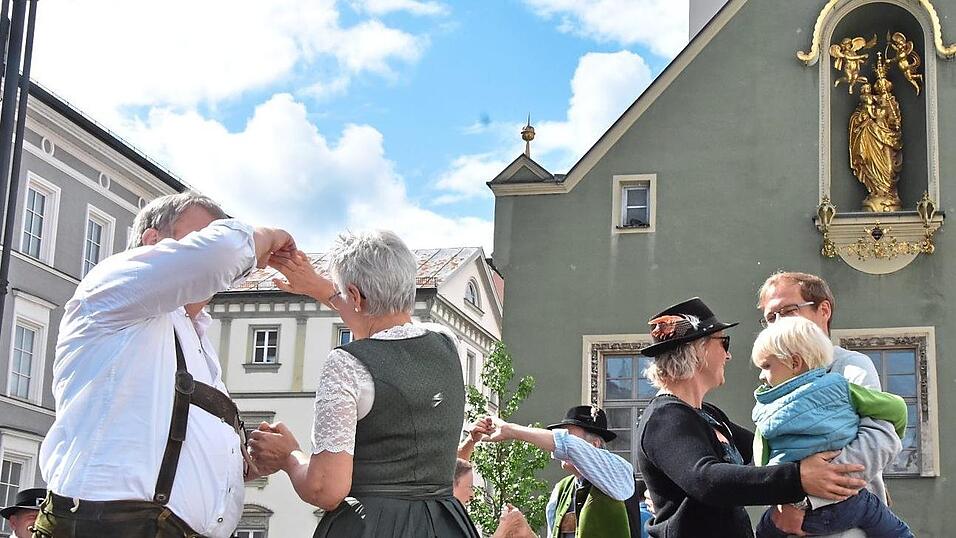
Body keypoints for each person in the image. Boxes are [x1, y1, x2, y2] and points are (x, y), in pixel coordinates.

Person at [33, 192, 295, 538]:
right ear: (151, 241)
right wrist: (271, 236)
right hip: (111, 525)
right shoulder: (115, 281)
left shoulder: (196, 341)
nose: (211, 245)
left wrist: (243, 465)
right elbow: (220, 255)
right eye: (201, 237)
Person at [247, 231, 478, 537]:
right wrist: (323, 287)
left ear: (354, 296)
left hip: (374, 525)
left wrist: (289, 456)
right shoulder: (447, 342)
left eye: (342, 293)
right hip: (443, 522)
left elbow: (325, 489)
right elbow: (386, 321)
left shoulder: (347, 364)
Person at [636, 297, 868, 538]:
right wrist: (798, 478)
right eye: (724, 342)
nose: (728, 355)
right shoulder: (664, 417)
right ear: (697, 349)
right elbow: (707, 480)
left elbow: (770, 448)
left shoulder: (709, 415)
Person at [758, 272, 902, 536]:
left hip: (847, 524)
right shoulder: (775, 376)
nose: (778, 323)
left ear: (823, 310)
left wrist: (803, 498)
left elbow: (878, 440)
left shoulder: (849, 366)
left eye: (788, 311)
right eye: (770, 317)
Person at [484, 405, 635, 538]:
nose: (558, 450)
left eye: (569, 436)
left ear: (594, 445)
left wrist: (511, 430)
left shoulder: (619, 472)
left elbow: (567, 445)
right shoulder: (561, 490)